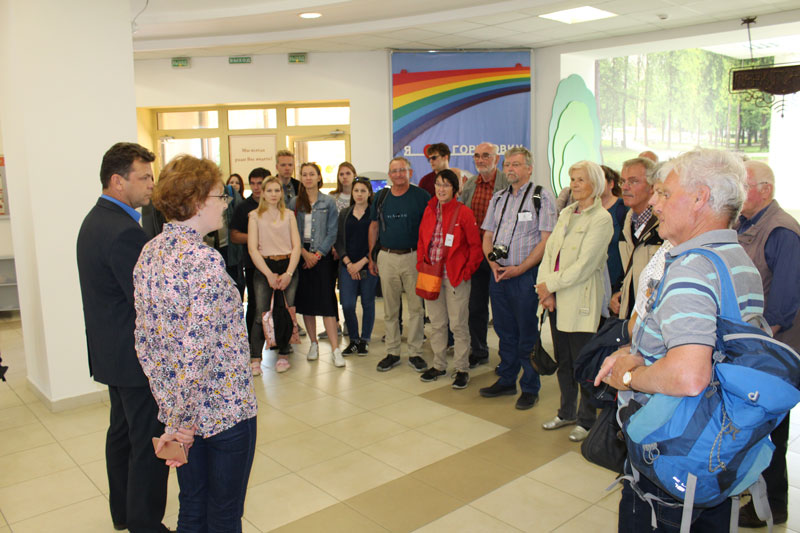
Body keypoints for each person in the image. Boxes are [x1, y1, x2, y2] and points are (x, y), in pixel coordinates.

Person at [595, 148, 764, 532]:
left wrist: (628, 376)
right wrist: (640, 351)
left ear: (701, 198)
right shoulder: (736, 258)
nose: (655, 203)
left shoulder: (690, 270)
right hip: (715, 450)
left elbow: (689, 376)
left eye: (666, 194)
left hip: (671, 452)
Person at [134, 154, 257, 532]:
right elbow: (197, 349)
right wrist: (184, 422)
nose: (225, 204)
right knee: (223, 514)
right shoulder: (203, 260)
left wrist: (174, 416)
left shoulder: (149, 253)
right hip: (224, 411)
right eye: (220, 196)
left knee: (191, 507)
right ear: (199, 201)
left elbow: (145, 343)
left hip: (179, 411)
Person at [76, 142, 170, 533]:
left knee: (122, 434)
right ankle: (144, 523)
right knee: (147, 441)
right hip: (133, 359)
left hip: (110, 353)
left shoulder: (95, 220)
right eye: (144, 177)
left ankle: (123, 513)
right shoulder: (124, 232)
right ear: (118, 181)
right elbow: (145, 303)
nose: (151, 184)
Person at [735, 160, 800, 528]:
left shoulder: (782, 231)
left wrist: (757, 345)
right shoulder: (745, 225)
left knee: (772, 430)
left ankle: (773, 506)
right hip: (753, 347)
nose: (737, 191)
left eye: (743, 185)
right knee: (754, 427)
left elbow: (784, 304)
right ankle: (755, 492)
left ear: (765, 190)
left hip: (773, 350)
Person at [535, 160, 613, 441]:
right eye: (572, 179)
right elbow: (550, 254)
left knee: (584, 363)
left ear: (595, 183)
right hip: (556, 297)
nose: (574, 185)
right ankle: (566, 412)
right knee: (564, 360)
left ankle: (586, 419)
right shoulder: (567, 212)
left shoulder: (601, 218)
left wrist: (550, 285)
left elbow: (585, 266)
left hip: (580, 299)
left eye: (581, 179)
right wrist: (545, 290)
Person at [478, 146, 556, 410]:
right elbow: (487, 235)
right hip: (499, 275)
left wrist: (521, 268)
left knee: (526, 332)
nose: (510, 169)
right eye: (507, 164)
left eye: (516, 164)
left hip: (525, 276)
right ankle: (507, 379)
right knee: (504, 331)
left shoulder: (541, 196)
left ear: (529, 168)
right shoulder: (498, 198)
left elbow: (546, 241)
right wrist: (492, 263)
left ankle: (530, 387)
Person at [417, 169, 482, 389]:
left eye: (446, 185)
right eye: (438, 184)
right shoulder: (429, 210)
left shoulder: (463, 212)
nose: (441, 189)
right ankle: (439, 365)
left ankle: (462, 368)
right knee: (437, 324)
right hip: (431, 275)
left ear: (454, 188)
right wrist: (421, 264)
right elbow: (421, 240)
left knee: (458, 325)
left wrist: (466, 272)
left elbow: (475, 247)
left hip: (455, 277)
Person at [368, 156, 431, 372]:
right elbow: (374, 226)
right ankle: (392, 352)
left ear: (410, 173)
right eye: (394, 171)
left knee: (416, 309)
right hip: (387, 257)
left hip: (413, 257)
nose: (398, 175)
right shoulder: (381, 197)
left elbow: (430, 227)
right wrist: (372, 256)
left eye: (402, 170)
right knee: (390, 309)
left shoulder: (421, 196)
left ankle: (415, 352)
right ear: (389, 175)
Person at [460, 142, 510, 369]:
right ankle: (479, 351)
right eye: (477, 156)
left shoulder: (507, 183)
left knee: (502, 310)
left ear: (496, 159)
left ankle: (508, 357)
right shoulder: (470, 184)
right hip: (476, 256)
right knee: (475, 307)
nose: (480, 160)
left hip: (501, 256)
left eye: (486, 155)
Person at [288, 162, 344, 367]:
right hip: (301, 255)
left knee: (327, 302)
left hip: (323, 256)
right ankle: (313, 344)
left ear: (319, 177)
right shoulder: (294, 202)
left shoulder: (328, 202)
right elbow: (291, 231)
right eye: (304, 174)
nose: (308, 178)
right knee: (307, 304)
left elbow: (332, 231)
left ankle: (335, 349)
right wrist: (304, 254)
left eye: (312, 174)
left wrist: (318, 255)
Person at [248, 176, 302, 374]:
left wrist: (288, 273)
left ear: (282, 193)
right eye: (269, 190)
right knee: (261, 313)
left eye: (277, 190)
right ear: (262, 193)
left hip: (288, 265)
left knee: (286, 312)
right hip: (264, 266)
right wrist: (269, 274)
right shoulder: (254, 216)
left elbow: (297, 246)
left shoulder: (288, 215)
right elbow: (253, 249)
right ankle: (255, 358)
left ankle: (284, 355)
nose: (273, 194)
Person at [610, 157, 662, 319]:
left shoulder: (663, 227)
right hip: (630, 314)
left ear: (652, 187)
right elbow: (628, 268)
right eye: (623, 181)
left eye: (633, 182)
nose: (625, 187)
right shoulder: (627, 222)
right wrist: (619, 292)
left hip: (653, 317)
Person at [335, 177, 379, 355]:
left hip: (368, 265)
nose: (359, 194)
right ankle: (353, 339)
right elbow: (339, 241)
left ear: (369, 193)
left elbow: (378, 240)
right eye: (356, 191)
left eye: (363, 191)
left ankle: (364, 340)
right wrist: (348, 263)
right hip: (348, 266)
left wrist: (362, 262)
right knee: (347, 304)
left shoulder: (374, 214)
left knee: (368, 303)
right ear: (352, 193)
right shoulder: (345, 213)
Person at [230, 168, 270, 344]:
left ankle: (279, 341)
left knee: (278, 304)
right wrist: (255, 237)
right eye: (252, 183)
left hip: (277, 262)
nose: (256, 187)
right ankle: (252, 344)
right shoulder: (243, 208)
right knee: (255, 304)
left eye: (260, 183)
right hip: (253, 263)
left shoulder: (276, 206)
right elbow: (234, 236)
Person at [601, 165, 628, 293]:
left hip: (617, 284)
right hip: (593, 283)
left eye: (599, 180)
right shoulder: (584, 212)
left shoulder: (623, 210)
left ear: (611, 184)